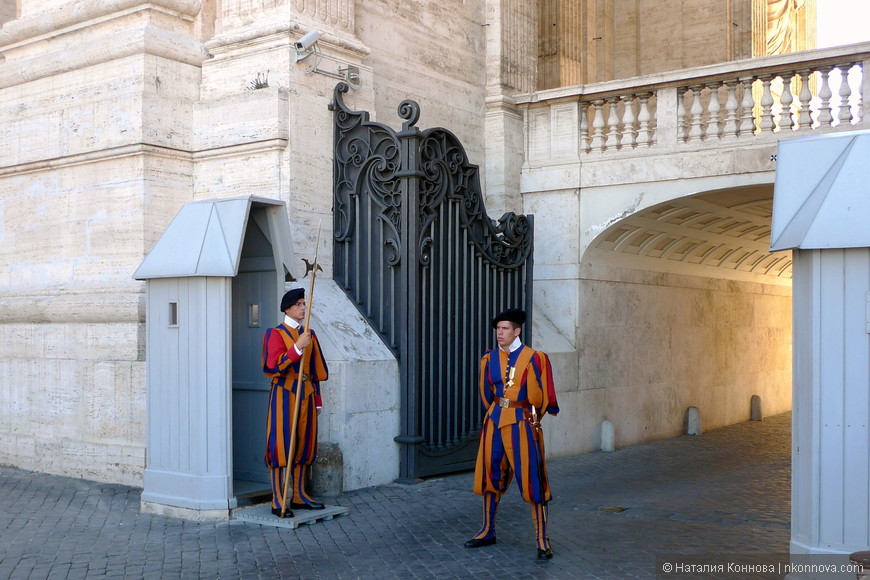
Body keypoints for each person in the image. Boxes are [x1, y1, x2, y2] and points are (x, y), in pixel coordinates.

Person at [464, 308, 559, 559]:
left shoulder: (535, 358)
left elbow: (543, 395)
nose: (500, 333)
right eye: (498, 329)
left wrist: (527, 416)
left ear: (517, 331)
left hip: (522, 422)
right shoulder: (489, 358)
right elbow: (486, 393)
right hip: (494, 421)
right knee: (489, 475)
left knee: (533, 479)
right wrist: (496, 413)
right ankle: (487, 531)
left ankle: (542, 539)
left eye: (505, 329)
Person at [261, 287, 329, 518]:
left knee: (305, 444)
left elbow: (314, 371)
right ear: (287, 308)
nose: (303, 308)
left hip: (307, 394)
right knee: (280, 445)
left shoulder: (309, 333)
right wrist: (298, 346)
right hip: (284, 393)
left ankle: (299, 495)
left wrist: (317, 400)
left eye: (304, 304)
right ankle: (277, 499)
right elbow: (273, 366)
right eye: (298, 304)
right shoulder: (275, 334)